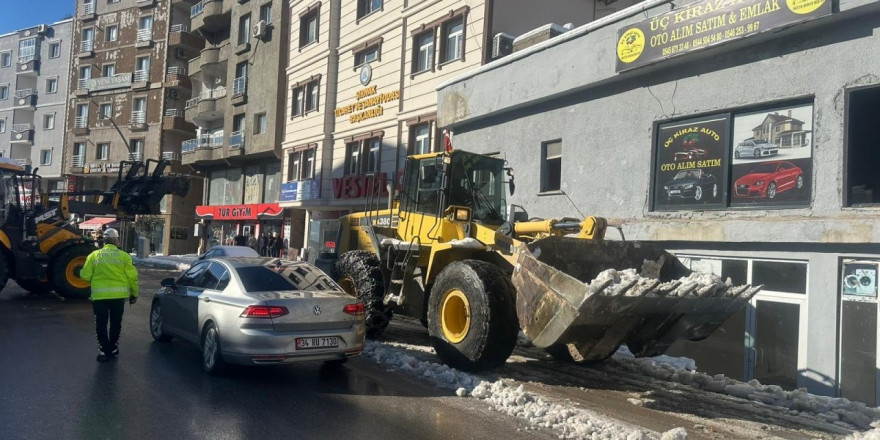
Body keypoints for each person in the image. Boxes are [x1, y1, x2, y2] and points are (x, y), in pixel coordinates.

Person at [80, 228, 139, 363]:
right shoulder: (124, 256)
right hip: (118, 297)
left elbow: (85, 275)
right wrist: (134, 294)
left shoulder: (94, 256)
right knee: (115, 323)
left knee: (100, 323)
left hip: (99, 297)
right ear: (116, 240)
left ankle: (103, 350)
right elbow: (133, 277)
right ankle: (112, 348)